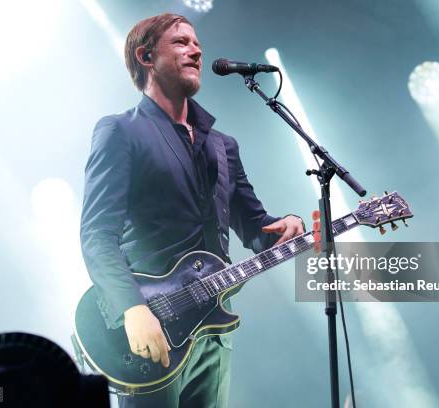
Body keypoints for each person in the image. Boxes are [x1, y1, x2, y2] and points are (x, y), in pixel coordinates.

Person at [80, 13, 304, 407]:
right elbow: (97, 235)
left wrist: (283, 226)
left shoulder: (222, 144)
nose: (196, 50)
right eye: (181, 42)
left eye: (197, 43)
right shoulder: (121, 131)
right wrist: (132, 310)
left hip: (215, 325)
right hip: (151, 324)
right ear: (146, 57)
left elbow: (253, 226)